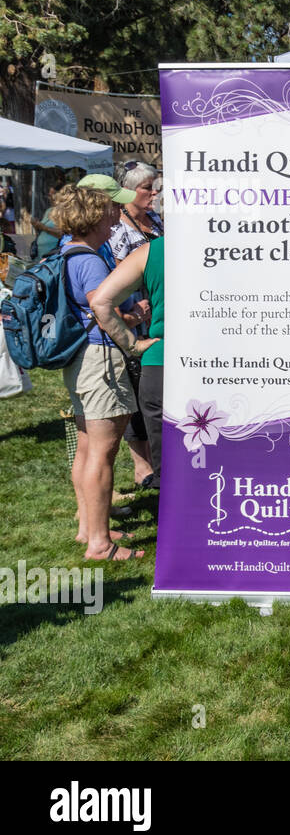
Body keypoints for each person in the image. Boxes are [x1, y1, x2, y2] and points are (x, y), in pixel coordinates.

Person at [54, 186, 149, 562]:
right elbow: (101, 307)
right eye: (109, 209)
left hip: (81, 358)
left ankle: (89, 527)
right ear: (95, 216)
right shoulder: (91, 260)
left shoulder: (67, 252)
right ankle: (100, 544)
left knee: (88, 447)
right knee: (103, 453)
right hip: (101, 359)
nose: (115, 215)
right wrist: (134, 336)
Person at [91, 237, 165, 487]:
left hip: (161, 364)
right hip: (223, 364)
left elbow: (101, 302)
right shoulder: (241, 244)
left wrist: (132, 345)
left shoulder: (153, 251)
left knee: (172, 466)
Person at [32, 181, 64, 260]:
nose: (51, 197)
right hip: (41, 253)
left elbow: (62, 234)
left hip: (54, 253)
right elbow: (40, 232)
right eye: (50, 195)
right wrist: (36, 226)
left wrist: (43, 227)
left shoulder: (64, 211)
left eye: (54, 194)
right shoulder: (49, 210)